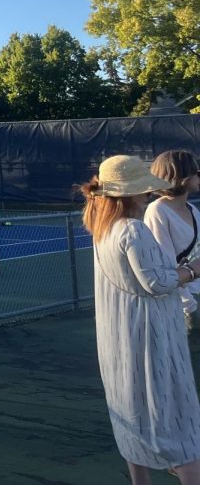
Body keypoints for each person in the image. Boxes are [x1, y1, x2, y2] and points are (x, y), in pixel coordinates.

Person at [82, 154, 200, 484]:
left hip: (119, 332)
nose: (148, 194)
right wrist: (194, 269)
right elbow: (158, 282)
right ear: (130, 194)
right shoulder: (132, 230)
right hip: (150, 332)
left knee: (131, 407)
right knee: (178, 415)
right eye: (143, 189)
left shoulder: (102, 228)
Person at [144, 150, 200, 330]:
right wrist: (190, 308)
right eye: (196, 172)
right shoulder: (157, 211)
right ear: (182, 177)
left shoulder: (192, 209)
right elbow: (166, 267)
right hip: (184, 305)